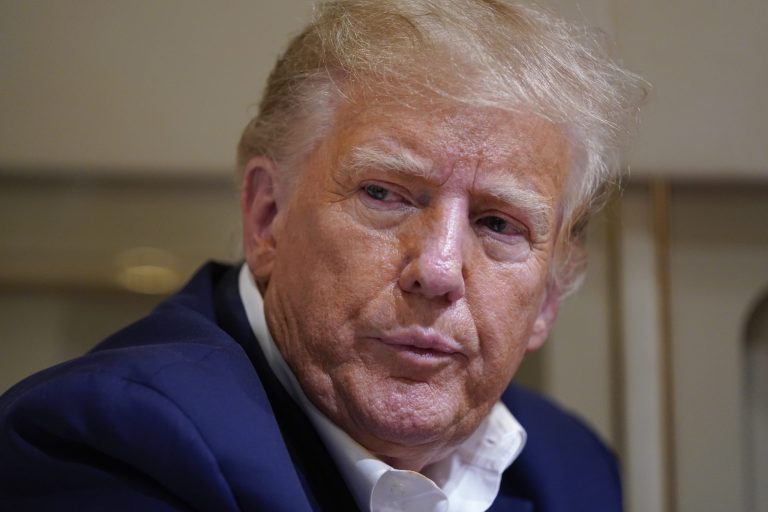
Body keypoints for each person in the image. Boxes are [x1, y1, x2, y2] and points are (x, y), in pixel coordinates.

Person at [0, 1, 645, 510]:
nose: (439, 269)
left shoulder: (573, 468)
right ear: (267, 217)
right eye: (384, 194)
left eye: (499, 223)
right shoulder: (113, 445)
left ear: (549, 298)